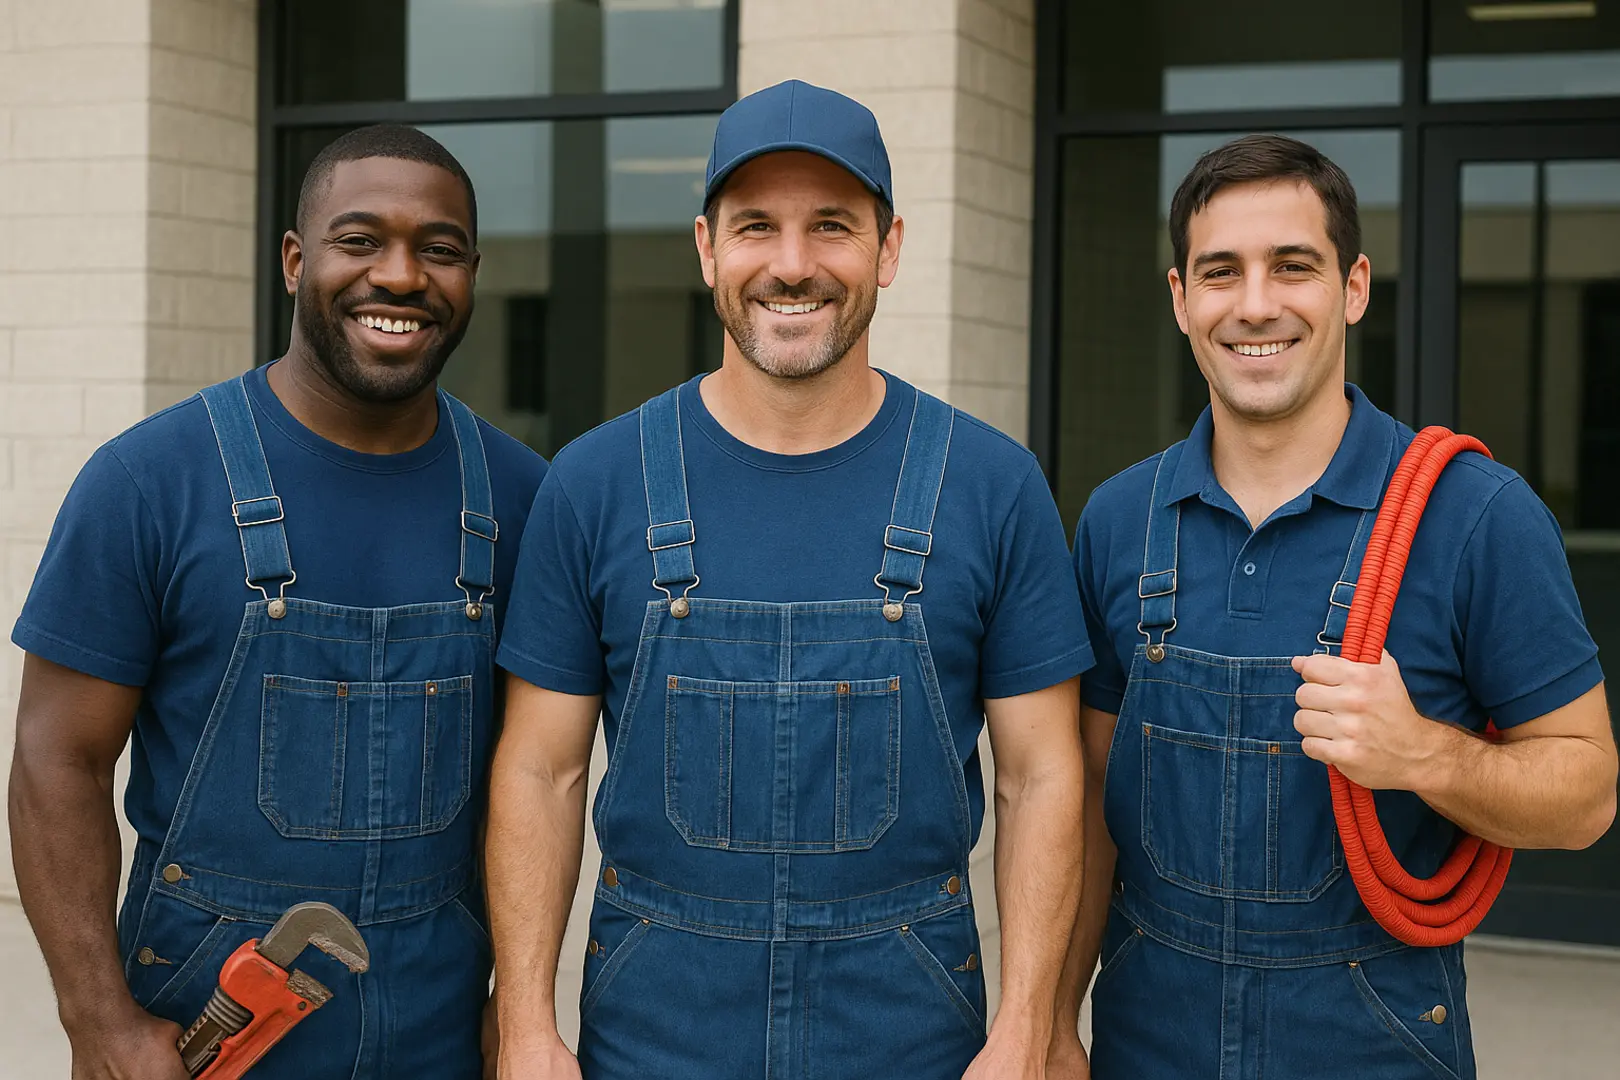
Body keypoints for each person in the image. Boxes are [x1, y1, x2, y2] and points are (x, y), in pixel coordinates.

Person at [486, 79, 1091, 1080]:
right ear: (707, 248)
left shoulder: (991, 485)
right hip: (655, 1025)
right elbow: (539, 772)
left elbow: (1042, 776)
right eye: (757, 226)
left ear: (889, 249)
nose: (794, 263)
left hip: (911, 1027)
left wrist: (1025, 1027)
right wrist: (525, 1028)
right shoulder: (595, 483)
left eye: (833, 227)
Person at [1052, 134, 1619, 1079]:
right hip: (1147, 1041)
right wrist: (1052, 1021)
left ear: (1353, 287)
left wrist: (1425, 754)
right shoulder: (1119, 520)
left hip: (1372, 1044)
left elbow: (1588, 795)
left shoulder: (1477, 516)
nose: (1257, 304)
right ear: (1181, 299)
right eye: (1221, 272)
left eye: (1294, 266)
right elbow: (1088, 819)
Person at [9, 124, 548, 1079]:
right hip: (204, 1023)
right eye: (360, 240)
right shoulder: (149, 481)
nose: (402, 275)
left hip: (441, 1023)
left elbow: (548, 778)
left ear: (471, 273)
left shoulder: (524, 496)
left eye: (439, 249)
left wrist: (523, 1008)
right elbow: (59, 759)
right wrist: (96, 1019)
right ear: (296, 261)